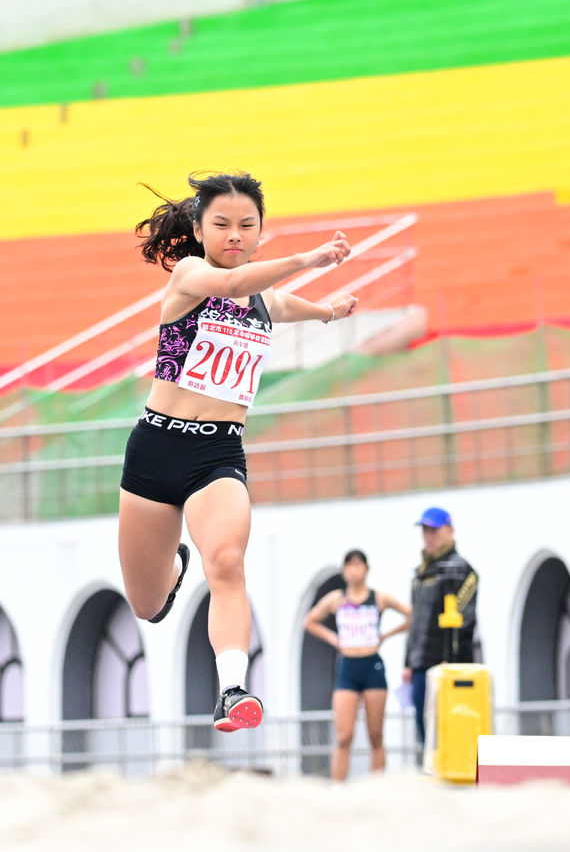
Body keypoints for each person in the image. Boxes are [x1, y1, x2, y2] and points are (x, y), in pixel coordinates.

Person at [119, 172, 359, 733]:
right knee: (146, 605)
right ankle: (174, 566)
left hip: (217, 455)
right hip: (156, 448)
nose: (234, 235)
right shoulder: (191, 275)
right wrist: (311, 258)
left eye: (247, 225)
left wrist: (328, 312)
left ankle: (233, 690)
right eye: (222, 224)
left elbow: (279, 304)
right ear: (200, 230)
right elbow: (231, 285)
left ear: (259, 233)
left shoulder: (261, 297)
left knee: (227, 562)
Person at [303, 549, 411, 782]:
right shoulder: (337, 599)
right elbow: (310, 621)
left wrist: (386, 635)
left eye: (358, 565)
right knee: (344, 736)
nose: (353, 571)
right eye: (349, 566)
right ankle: (338, 786)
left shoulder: (378, 598)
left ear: (366, 569)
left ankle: (377, 785)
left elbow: (410, 615)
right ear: (344, 571)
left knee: (375, 735)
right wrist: (333, 639)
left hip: (372, 666)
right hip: (348, 667)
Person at [402, 506, 478, 754]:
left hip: (447, 663)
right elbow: (414, 621)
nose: (429, 536)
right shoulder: (420, 574)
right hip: (420, 663)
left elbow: (465, 619)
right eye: (425, 531)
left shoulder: (461, 570)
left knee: (449, 724)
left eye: (434, 530)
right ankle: (429, 767)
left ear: (450, 531)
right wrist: (408, 662)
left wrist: (452, 659)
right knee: (424, 726)